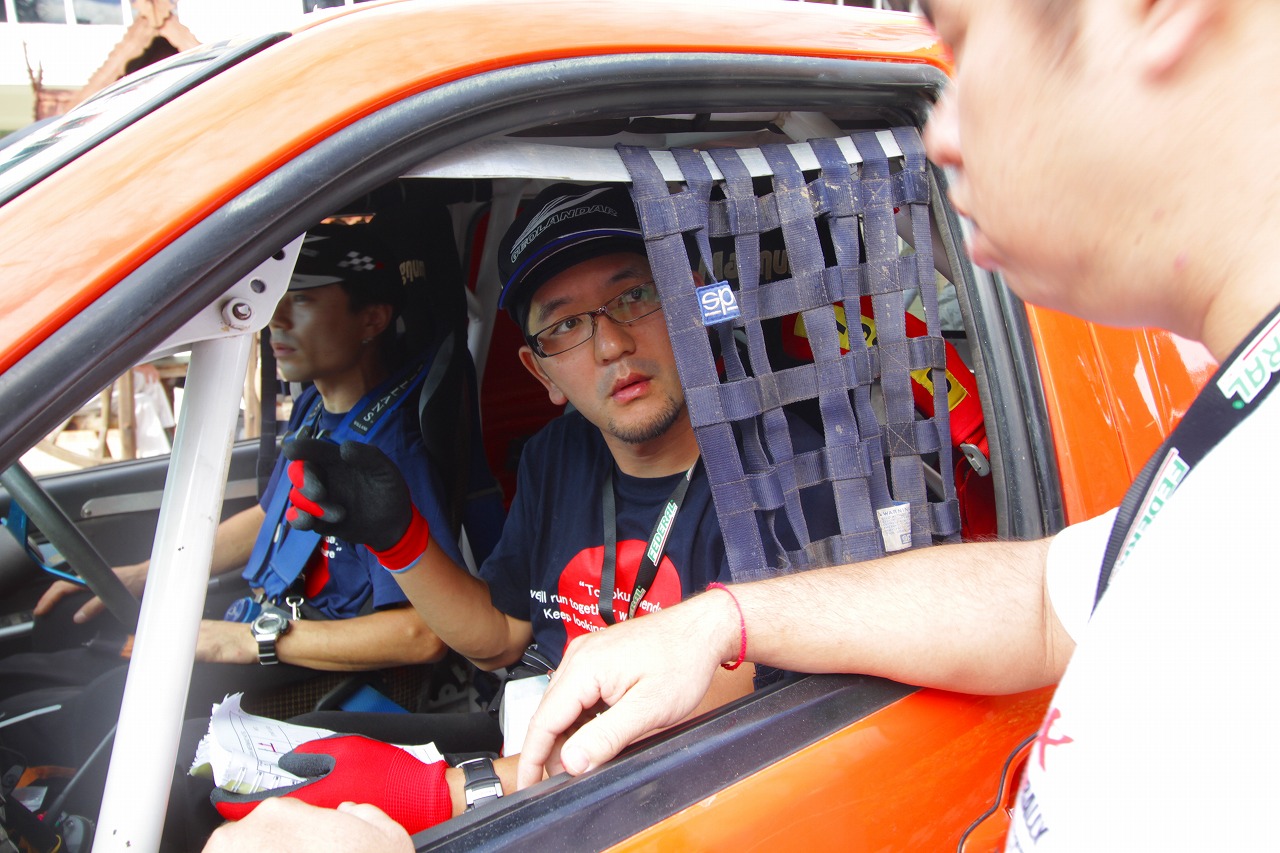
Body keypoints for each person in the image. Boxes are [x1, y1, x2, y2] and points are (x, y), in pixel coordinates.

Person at [509, 1, 1280, 850]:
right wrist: (716, 622)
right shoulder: (1235, 454)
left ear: (1154, 11)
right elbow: (1041, 604)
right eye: (566, 325)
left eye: (965, 47)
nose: (939, 137)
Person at [207, 183, 769, 832]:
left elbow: (742, 706)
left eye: (634, 297)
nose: (610, 344)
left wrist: (449, 793)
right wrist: (400, 539)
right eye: (565, 324)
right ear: (542, 374)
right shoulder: (557, 455)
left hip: (681, 794)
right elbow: (500, 638)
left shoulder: (778, 464)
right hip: (539, 742)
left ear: (691, 304)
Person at [0, 221, 490, 768]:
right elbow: (269, 515)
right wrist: (145, 575)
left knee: (79, 709)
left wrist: (238, 640)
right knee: (48, 650)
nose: (276, 320)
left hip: (314, 665)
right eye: (277, 299)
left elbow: (422, 636)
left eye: (303, 300)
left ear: (372, 319)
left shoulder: (389, 451)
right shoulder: (317, 409)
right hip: (271, 619)